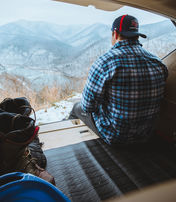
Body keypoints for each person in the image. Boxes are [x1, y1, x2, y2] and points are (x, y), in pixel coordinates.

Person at [68, 14, 168, 145]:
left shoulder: (105, 62)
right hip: (145, 134)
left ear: (115, 34)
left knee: (77, 107)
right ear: (137, 35)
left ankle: (72, 144)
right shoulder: (158, 63)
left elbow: (88, 106)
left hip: (115, 137)